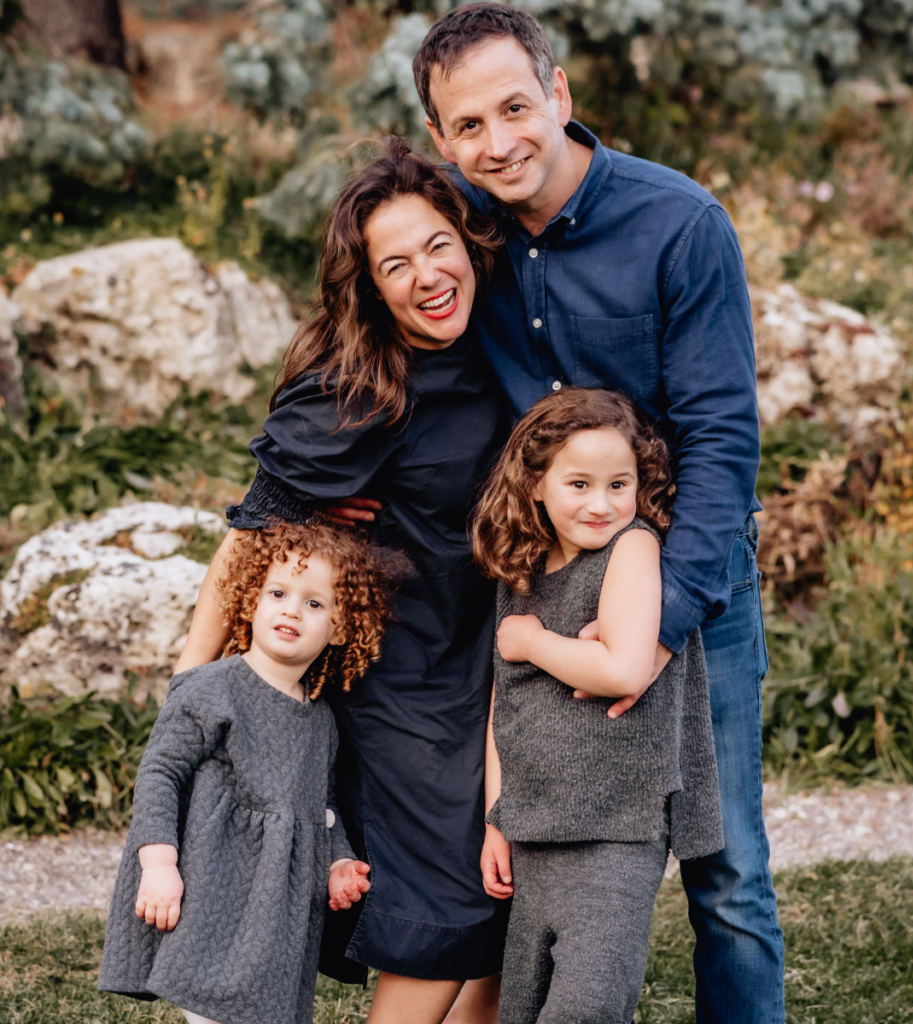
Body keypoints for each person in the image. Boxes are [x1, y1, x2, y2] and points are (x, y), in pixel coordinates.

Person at [412, 5, 785, 1023]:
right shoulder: (461, 237)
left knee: (726, 866)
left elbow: (720, 439)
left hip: (686, 579)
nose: (499, 141)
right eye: (469, 126)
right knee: (529, 836)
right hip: (540, 583)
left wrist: (656, 628)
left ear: (560, 95)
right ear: (441, 139)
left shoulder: (678, 223)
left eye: (515, 108)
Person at [172, 138, 510, 1024]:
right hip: (401, 686)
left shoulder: (499, 344)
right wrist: (191, 685)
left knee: (497, 919)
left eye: (439, 245)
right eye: (395, 264)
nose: (427, 275)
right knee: (445, 910)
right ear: (368, 284)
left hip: (490, 660)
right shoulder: (355, 387)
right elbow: (249, 537)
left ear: (468, 242)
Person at [471, 387, 723, 1024]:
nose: (601, 503)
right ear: (535, 485)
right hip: (535, 828)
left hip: (614, 827)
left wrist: (533, 640)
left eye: (620, 483)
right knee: (524, 1005)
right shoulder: (522, 572)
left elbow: (624, 667)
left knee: (588, 1006)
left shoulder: (632, 548)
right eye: (579, 483)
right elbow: (508, 708)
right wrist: (496, 818)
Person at [98, 522, 391, 1024]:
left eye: (314, 603)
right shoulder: (211, 688)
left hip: (277, 909)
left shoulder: (321, 718)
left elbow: (322, 806)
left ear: (340, 627)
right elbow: (160, 775)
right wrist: (159, 864)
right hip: (211, 892)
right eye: (278, 592)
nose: (292, 610)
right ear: (252, 599)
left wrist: (338, 861)